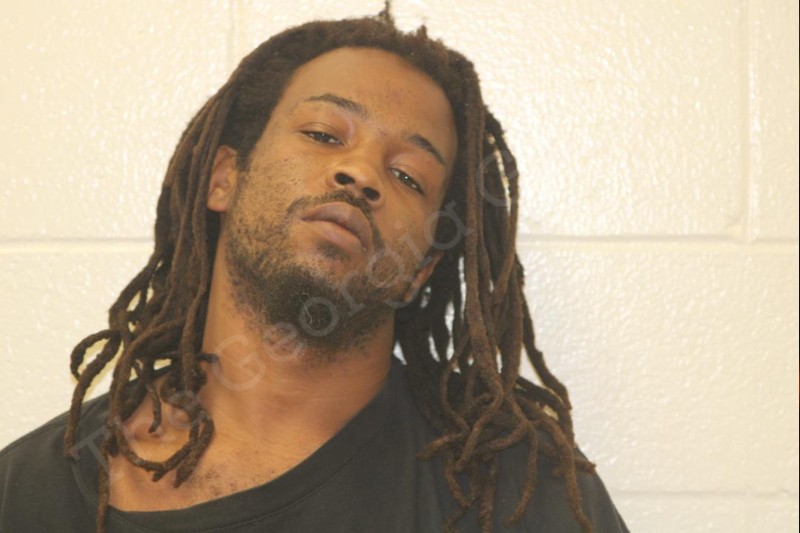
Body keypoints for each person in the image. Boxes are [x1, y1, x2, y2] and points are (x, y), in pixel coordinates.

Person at [0, 9, 629, 533]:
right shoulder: (30, 490)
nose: (361, 173)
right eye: (325, 134)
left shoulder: (517, 494)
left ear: (422, 268)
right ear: (223, 178)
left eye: (407, 175)